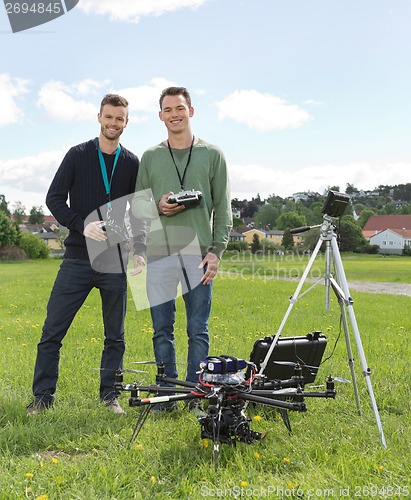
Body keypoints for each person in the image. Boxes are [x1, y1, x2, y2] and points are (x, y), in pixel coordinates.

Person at [27, 94, 145, 416]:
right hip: (77, 259)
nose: (113, 123)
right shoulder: (77, 155)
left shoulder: (132, 162)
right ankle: (42, 398)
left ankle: (110, 397)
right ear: (99, 117)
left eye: (119, 119)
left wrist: (140, 250)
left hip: (115, 260)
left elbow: (139, 212)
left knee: (115, 336)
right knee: (52, 331)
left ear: (126, 122)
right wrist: (81, 226)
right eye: (109, 117)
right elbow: (53, 199)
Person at [132, 86, 232, 414]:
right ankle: (165, 392)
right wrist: (158, 207)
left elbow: (224, 209)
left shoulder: (213, 154)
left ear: (191, 110)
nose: (174, 114)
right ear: (160, 115)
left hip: (198, 255)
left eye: (180, 108)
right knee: (161, 329)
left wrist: (216, 251)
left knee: (197, 329)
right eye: (167, 109)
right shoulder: (150, 157)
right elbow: (138, 209)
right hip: (159, 255)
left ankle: (196, 394)